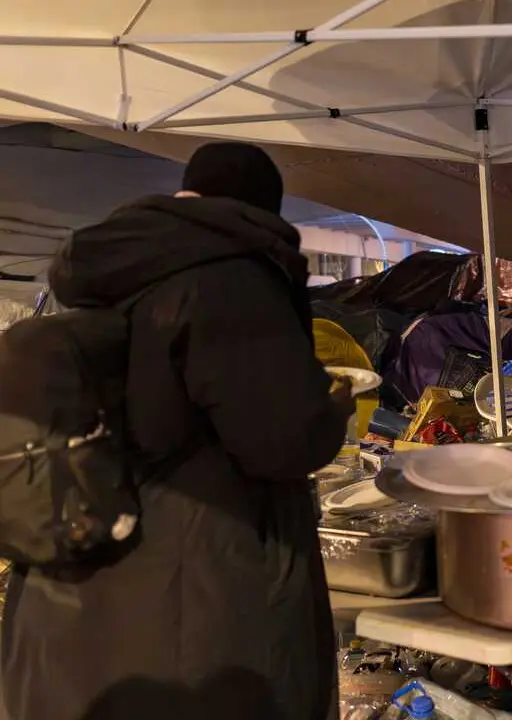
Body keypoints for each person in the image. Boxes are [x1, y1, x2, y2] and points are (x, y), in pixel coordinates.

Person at [2, 142, 353, 720]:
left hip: (81, 601)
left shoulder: (115, 268)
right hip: (195, 598)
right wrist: (333, 404)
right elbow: (286, 438)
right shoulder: (228, 276)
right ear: (264, 210)